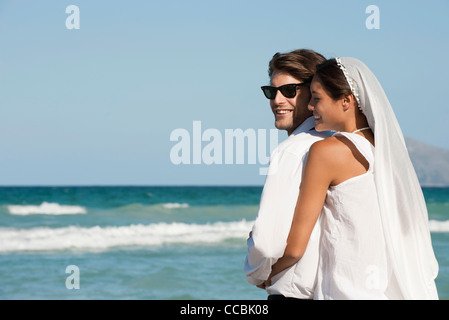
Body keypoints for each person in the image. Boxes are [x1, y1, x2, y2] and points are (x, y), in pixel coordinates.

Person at [265, 57, 439, 299]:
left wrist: (266, 275)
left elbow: (295, 247)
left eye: (317, 98)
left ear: (346, 100)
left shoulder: (326, 151)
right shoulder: (383, 153)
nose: (312, 107)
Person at [244, 49, 331, 300]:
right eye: (272, 92)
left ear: (315, 91)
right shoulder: (342, 144)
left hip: (293, 292)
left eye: (290, 91)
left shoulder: (291, 152)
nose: (278, 100)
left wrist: (258, 274)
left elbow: (266, 243)